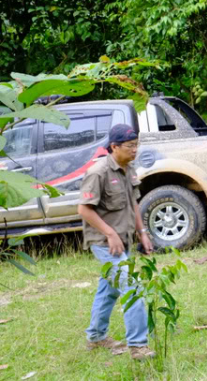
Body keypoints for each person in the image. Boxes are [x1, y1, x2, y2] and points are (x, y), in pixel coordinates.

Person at [78, 124, 155, 360]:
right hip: (104, 242)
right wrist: (110, 233)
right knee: (132, 287)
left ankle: (97, 337)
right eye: (130, 146)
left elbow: (134, 204)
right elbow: (84, 209)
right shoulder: (98, 172)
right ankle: (138, 346)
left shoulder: (129, 170)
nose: (135, 150)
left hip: (123, 241)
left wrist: (142, 232)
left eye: (136, 145)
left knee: (108, 289)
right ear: (114, 146)